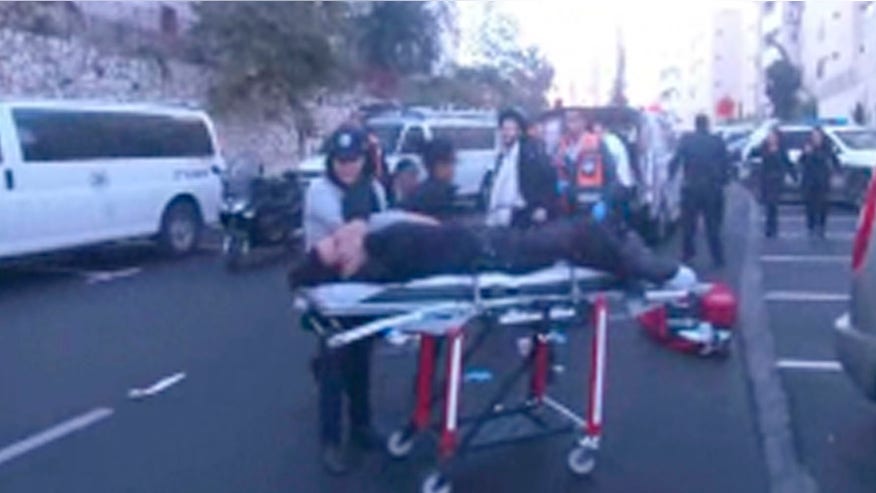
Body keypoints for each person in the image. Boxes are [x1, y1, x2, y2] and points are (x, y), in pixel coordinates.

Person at [289, 210, 697, 291]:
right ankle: (653, 270)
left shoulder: (378, 249)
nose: (344, 234)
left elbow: (427, 225)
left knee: (583, 233)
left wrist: (360, 235)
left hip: (489, 242)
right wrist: (362, 237)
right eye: (337, 244)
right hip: (495, 254)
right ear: (343, 265)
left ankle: (632, 256)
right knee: (581, 235)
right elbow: (415, 229)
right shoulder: (379, 255)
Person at [302, 126, 387, 475]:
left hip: (363, 286)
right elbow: (350, 236)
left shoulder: (375, 189)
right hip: (327, 286)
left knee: (362, 358)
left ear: (363, 159)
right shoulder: (320, 192)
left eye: (353, 160)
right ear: (331, 161)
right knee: (335, 363)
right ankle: (331, 442)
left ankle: (362, 426)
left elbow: (383, 230)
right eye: (340, 160)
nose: (347, 167)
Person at [669, 114, 731, 268]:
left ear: (695, 125)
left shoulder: (687, 140)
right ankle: (718, 258)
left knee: (689, 226)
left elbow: (676, 160)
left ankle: (688, 255)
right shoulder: (717, 141)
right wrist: (723, 181)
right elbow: (726, 163)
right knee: (713, 226)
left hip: (691, 187)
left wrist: (670, 177)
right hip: (712, 188)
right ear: (707, 125)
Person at [487, 108, 559, 228]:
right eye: (503, 129)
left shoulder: (531, 154)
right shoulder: (502, 157)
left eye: (510, 129)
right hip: (503, 217)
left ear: (519, 131)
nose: (505, 133)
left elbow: (549, 179)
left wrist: (543, 206)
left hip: (525, 215)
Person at [553, 109, 618, 217]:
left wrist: (605, 202)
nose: (569, 124)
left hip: (592, 206)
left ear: (583, 121)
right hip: (569, 208)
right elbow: (555, 171)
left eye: (573, 120)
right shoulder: (562, 145)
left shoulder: (597, 143)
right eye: (567, 120)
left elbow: (612, 177)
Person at [401, 137, 460, 220]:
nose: (450, 169)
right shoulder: (431, 196)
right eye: (444, 164)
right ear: (430, 166)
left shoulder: (447, 191)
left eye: (453, 162)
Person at [798, 127, 840, 238]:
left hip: (822, 180)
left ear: (822, 137)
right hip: (809, 180)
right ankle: (810, 226)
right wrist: (805, 153)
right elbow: (800, 161)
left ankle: (821, 225)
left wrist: (836, 173)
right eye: (814, 136)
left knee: (823, 204)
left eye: (818, 136)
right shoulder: (807, 147)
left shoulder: (827, 148)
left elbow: (834, 161)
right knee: (809, 204)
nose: (816, 138)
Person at [758, 127, 798, 238]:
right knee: (768, 204)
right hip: (766, 179)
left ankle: (773, 227)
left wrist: (793, 175)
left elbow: (786, 162)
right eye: (770, 137)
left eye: (773, 137)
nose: (771, 139)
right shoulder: (764, 147)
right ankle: (769, 227)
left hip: (777, 179)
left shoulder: (781, 149)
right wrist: (770, 153)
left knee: (773, 203)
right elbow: (762, 159)